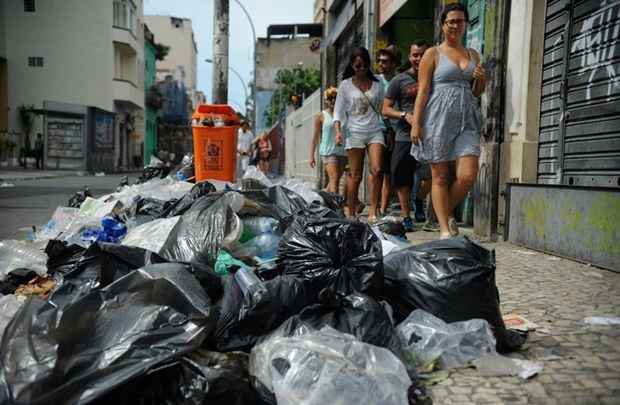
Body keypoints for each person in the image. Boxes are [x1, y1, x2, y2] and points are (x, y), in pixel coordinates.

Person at [410, 2, 486, 239]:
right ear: (443, 25)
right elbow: (423, 91)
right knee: (440, 176)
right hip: (437, 119)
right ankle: (445, 229)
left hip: (467, 119)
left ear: (465, 24)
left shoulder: (473, 54)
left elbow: (476, 92)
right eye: (451, 21)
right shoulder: (433, 54)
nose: (456, 25)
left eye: (460, 21)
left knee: (467, 175)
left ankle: (439, 211)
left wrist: (481, 79)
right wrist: (416, 123)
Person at [333, 47, 385, 221]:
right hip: (354, 132)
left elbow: (381, 108)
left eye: (362, 64)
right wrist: (338, 132)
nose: (360, 68)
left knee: (377, 170)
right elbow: (338, 111)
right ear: (352, 66)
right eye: (356, 65)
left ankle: (373, 210)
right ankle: (352, 212)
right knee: (355, 176)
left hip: (375, 131)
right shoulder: (345, 85)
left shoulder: (378, 83)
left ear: (367, 64)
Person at [382, 41, 428, 232]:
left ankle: (418, 199)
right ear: (410, 57)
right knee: (402, 178)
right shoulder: (399, 80)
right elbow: (385, 109)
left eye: (422, 55)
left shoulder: (435, 77)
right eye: (415, 55)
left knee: (430, 177)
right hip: (404, 135)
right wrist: (404, 115)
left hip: (431, 135)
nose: (418, 59)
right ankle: (406, 215)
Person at [375, 45, 400, 218]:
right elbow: (378, 108)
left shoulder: (399, 81)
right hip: (379, 130)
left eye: (385, 61)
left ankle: (383, 209)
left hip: (398, 130)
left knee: (389, 173)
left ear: (394, 63)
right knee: (377, 171)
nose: (381, 64)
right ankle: (375, 208)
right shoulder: (375, 82)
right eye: (379, 61)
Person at [310, 86, 347, 194]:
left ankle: (321, 197)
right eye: (330, 98)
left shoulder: (344, 114)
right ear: (326, 101)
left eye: (336, 97)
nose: (333, 100)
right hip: (328, 152)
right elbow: (315, 137)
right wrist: (311, 156)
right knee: (334, 178)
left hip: (342, 151)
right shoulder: (321, 115)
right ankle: (336, 209)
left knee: (333, 182)